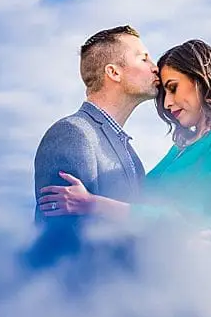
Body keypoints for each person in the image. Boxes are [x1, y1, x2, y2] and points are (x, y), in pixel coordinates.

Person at [37, 39, 211, 233]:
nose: (167, 103)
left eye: (173, 88)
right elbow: (141, 205)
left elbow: (193, 222)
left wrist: (93, 204)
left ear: (201, 80)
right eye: (164, 93)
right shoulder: (179, 148)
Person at [27, 25, 159, 268]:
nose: (155, 66)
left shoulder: (130, 153)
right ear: (114, 73)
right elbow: (60, 244)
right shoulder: (72, 134)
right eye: (143, 58)